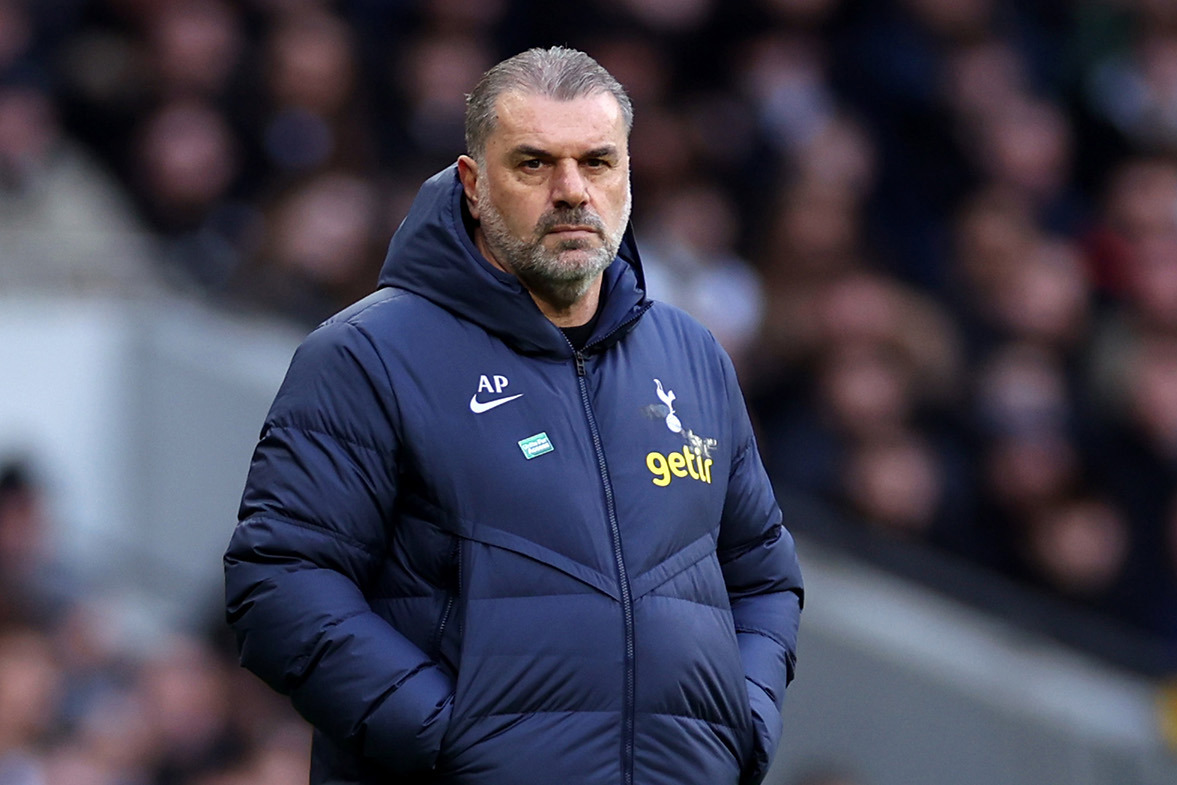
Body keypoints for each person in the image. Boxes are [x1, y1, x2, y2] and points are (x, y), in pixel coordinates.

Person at [222, 46, 803, 785]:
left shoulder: (692, 356)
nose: (571, 191)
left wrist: (739, 726)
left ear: (629, 174)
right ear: (472, 183)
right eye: (534, 163)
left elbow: (762, 576)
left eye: (597, 162)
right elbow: (281, 581)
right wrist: (452, 741)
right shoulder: (365, 356)